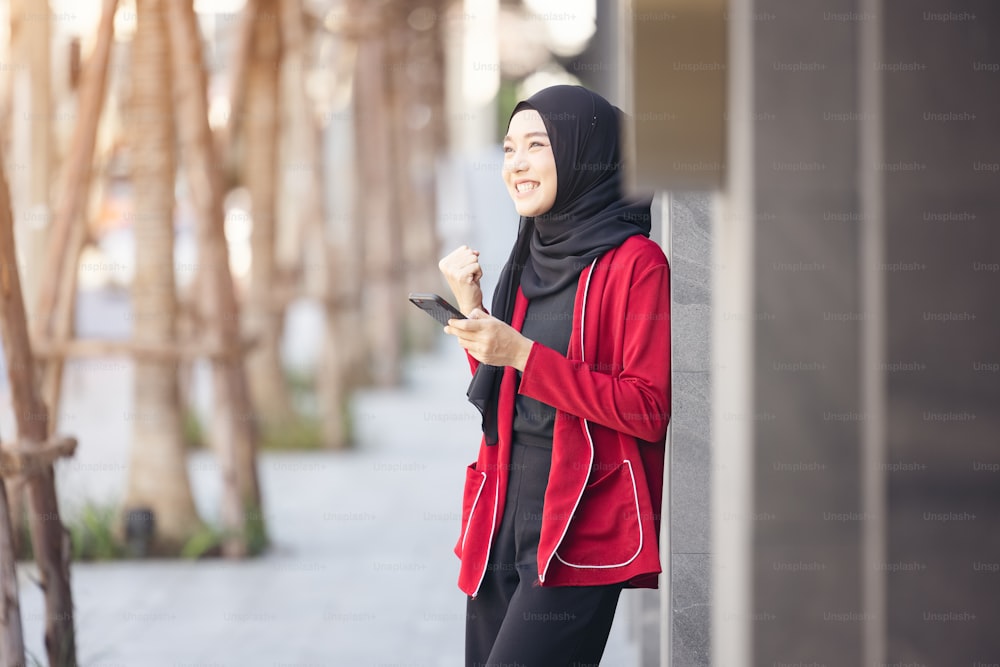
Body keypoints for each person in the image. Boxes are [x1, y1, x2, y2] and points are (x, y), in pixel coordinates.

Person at [439, 84, 670, 667]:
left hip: (580, 523)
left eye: (536, 145)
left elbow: (647, 407)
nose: (516, 163)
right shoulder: (530, 253)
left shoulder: (636, 263)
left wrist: (519, 353)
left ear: (582, 154)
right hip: (501, 514)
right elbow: (509, 392)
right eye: (510, 147)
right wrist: (474, 316)